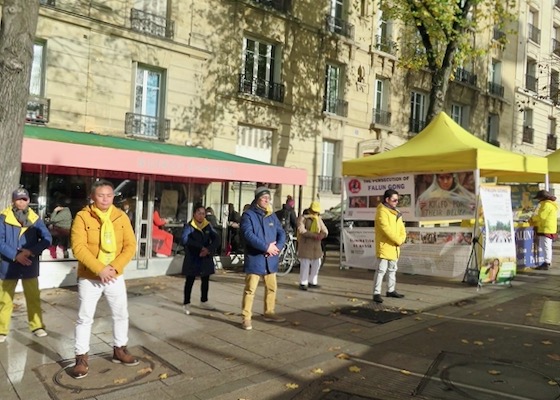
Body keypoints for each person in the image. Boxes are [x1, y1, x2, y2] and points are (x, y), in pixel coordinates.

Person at [70, 179, 138, 379]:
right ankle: (81, 357)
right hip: (90, 276)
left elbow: (130, 246)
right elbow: (79, 247)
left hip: (115, 275)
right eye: (101, 195)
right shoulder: (83, 217)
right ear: (93, 196)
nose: (105, 199)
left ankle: (120, 349)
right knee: (84, 318)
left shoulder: (121, 217)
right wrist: (99, 269)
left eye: (109, 195)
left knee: (121, 314)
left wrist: (114, 268)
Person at [0, 188, 52, 343]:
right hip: (8, 265)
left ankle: (37, 326)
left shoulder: (36, 219)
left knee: (33, 297)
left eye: (24, 199)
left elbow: (47, 238)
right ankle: (2, 329)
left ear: (29, 201)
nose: (21, 202)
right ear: (13, 201)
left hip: (29, 264)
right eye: (18, 199)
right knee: (4, 299)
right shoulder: (3, 217)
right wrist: (15, 255)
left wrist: (30, 251)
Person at [239, 186, 286, 330]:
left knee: (272, 288)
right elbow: (248, 235)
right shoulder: (248, 215)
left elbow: (281, 232)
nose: (267, 200)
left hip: (270, 259)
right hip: (256, 258)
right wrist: (266, 247)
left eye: (268, 198)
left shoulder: (271, 215)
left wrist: (277, 247)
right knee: (250, 289)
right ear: (257, 198)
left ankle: (269, 312)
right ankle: (246, 317)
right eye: (264, 198)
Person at [181, 205, 220, 314]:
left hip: (205, 257)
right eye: (199, 213)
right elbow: (185, 240)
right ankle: (186, 303)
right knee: (190, 280)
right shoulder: (189, 226)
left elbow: (216, 238)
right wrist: (200, 247)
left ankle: (204, 300)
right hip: (193, 257)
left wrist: (208, 249)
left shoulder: (207, 226)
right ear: (194, 214)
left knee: (205, 279)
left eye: (203, 214)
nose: (201, 216)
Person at [373, 189, 407, 303]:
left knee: (392, 269)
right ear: (387, 200)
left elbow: (402, 228)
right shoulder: (382, 211)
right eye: (394, 200)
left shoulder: (396, 211)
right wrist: (398, 240)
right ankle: (376, 293)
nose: (396, 202)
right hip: (385, 245)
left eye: (397, 200)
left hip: (394, 246)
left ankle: (391, 290)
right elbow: (385, 229)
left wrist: (401, 239)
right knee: (381, 270)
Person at [297, 201, 328, 290]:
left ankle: (313, 281)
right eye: (314, 211)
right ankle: (303, 283)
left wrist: (323, 234)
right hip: (306, 245)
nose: (315, 213)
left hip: (316, 246)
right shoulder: (303, 218)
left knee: (317, 263)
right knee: (305, 264)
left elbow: (325, 230)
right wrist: (314, 235)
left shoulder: (318, 218)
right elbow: (301, 230)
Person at [530, 189, 558, 270]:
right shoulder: (551, 204)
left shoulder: (546, 205)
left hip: (545, 227)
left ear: (542, 197)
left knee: (545, 245)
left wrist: (532, 219)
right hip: (548, 227)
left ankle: (547, 262)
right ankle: (547, 261)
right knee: (546, 245)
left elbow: (541, 216)